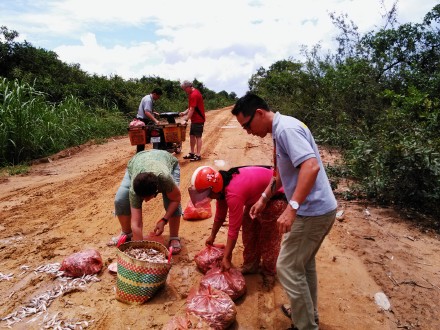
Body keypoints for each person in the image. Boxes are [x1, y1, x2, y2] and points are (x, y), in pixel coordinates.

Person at [231, 93, 337, 330]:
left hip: (312, 211)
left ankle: (305, 325)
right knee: (303, 264)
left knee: (287, 267)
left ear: (259, 113)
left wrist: (292, 207)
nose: (247, 131)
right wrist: (263, 198)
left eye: (247, 125)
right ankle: (308, 313)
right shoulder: (280, 130)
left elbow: (311, 167)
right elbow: (280, 175)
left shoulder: (286, 130)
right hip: (317, 209)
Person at [189, 165, 287, 290]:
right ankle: (251, 265)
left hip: (276, 196)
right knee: (249, 230)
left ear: (213, 189)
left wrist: (226, 257)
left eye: (207, 194)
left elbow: (233, 229)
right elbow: (220, 216)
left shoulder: (233, 193)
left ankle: (269, 272)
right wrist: (212, 236)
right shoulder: (221, 188)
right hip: (257, 198)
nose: (207, 197)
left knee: (268, 238)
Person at [109, 149, 183, 254]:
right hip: (138, 161)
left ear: (156, 190)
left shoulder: (165, 179)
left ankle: (174, 237)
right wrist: (140, 251)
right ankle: (126, 233)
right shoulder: (134, 190)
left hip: (165, 160)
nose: (145, 201)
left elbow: (176, 199)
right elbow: (137, 224)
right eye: (142, 198)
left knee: (170, 200)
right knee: (120, 200)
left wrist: (164, 220)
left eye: (147, 198)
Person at [179, 80, 205, 161]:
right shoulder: (192, 93)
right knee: (192, 136)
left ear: (188, 87)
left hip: (198, 119)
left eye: (184, 89)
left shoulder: (194, 94)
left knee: (198, 137)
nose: (185, 91)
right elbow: (190, 107)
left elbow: (192, 109)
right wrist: (184, 112)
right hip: (194, 120)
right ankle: (192, 153)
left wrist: (186, 120)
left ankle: (198, 155)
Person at [136, 88, 163, 153]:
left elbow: (148, 109)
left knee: (142, 138)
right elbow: (147, 112)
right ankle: (157, 150)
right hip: (144, 120)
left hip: (142, 120)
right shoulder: (148, 100)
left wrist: (154, 112)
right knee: (158, 131)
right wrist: (155, 120)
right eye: (158, 96)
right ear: (154, 94)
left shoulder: (147, 97)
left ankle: (139, 152)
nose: (158, 98)